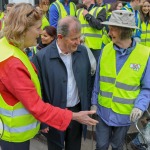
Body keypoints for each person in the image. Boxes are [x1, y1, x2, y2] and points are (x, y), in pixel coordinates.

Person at [0, 3, 98, 150]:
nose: (41, 33)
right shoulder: (16, 62)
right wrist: (73, 116)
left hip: (18, 130)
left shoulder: (10, 48)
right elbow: (37, 102)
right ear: (22, 29)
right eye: (38, 28)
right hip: (15, 134)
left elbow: (87, 82)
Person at [91, 10, 150, 150]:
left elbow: (147, 87)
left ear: (124, 31)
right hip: (102, 111)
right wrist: (94, 103)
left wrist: (140, 106)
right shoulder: (105, 50)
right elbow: (97, 81)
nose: (109, 32)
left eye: (112, 29)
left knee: (117, 146)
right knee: (101, 145)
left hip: (125, 115)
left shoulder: (144, 54)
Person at [32, 16, 92, 150]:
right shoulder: (42, 58)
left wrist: (87, 108)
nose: (78, 41)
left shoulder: (82, 52)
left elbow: (87, 82)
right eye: (74, 39)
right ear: (60, 37)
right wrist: (42, 121)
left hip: (77, 112)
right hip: (54, 114)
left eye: (79, 37)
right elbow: (38, 92)